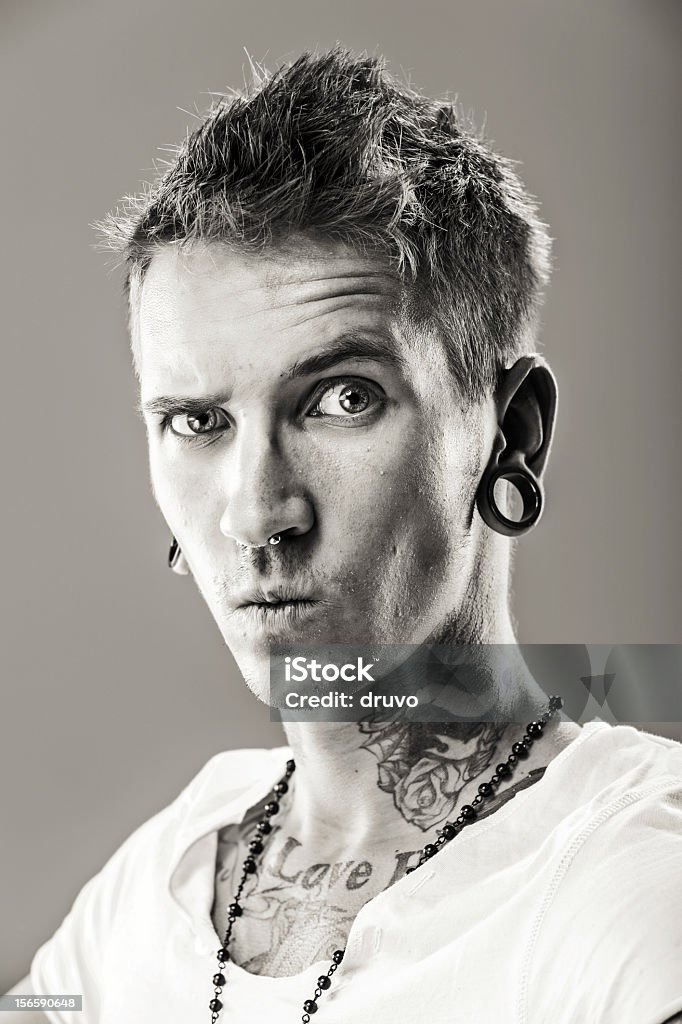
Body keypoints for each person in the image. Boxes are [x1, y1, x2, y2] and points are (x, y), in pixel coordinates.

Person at [3, 47, 681, 1024]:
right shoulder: (166, 876)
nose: (255, 511)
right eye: (197, 422)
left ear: (512, 436)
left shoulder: (627, 898)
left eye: (340, 398)